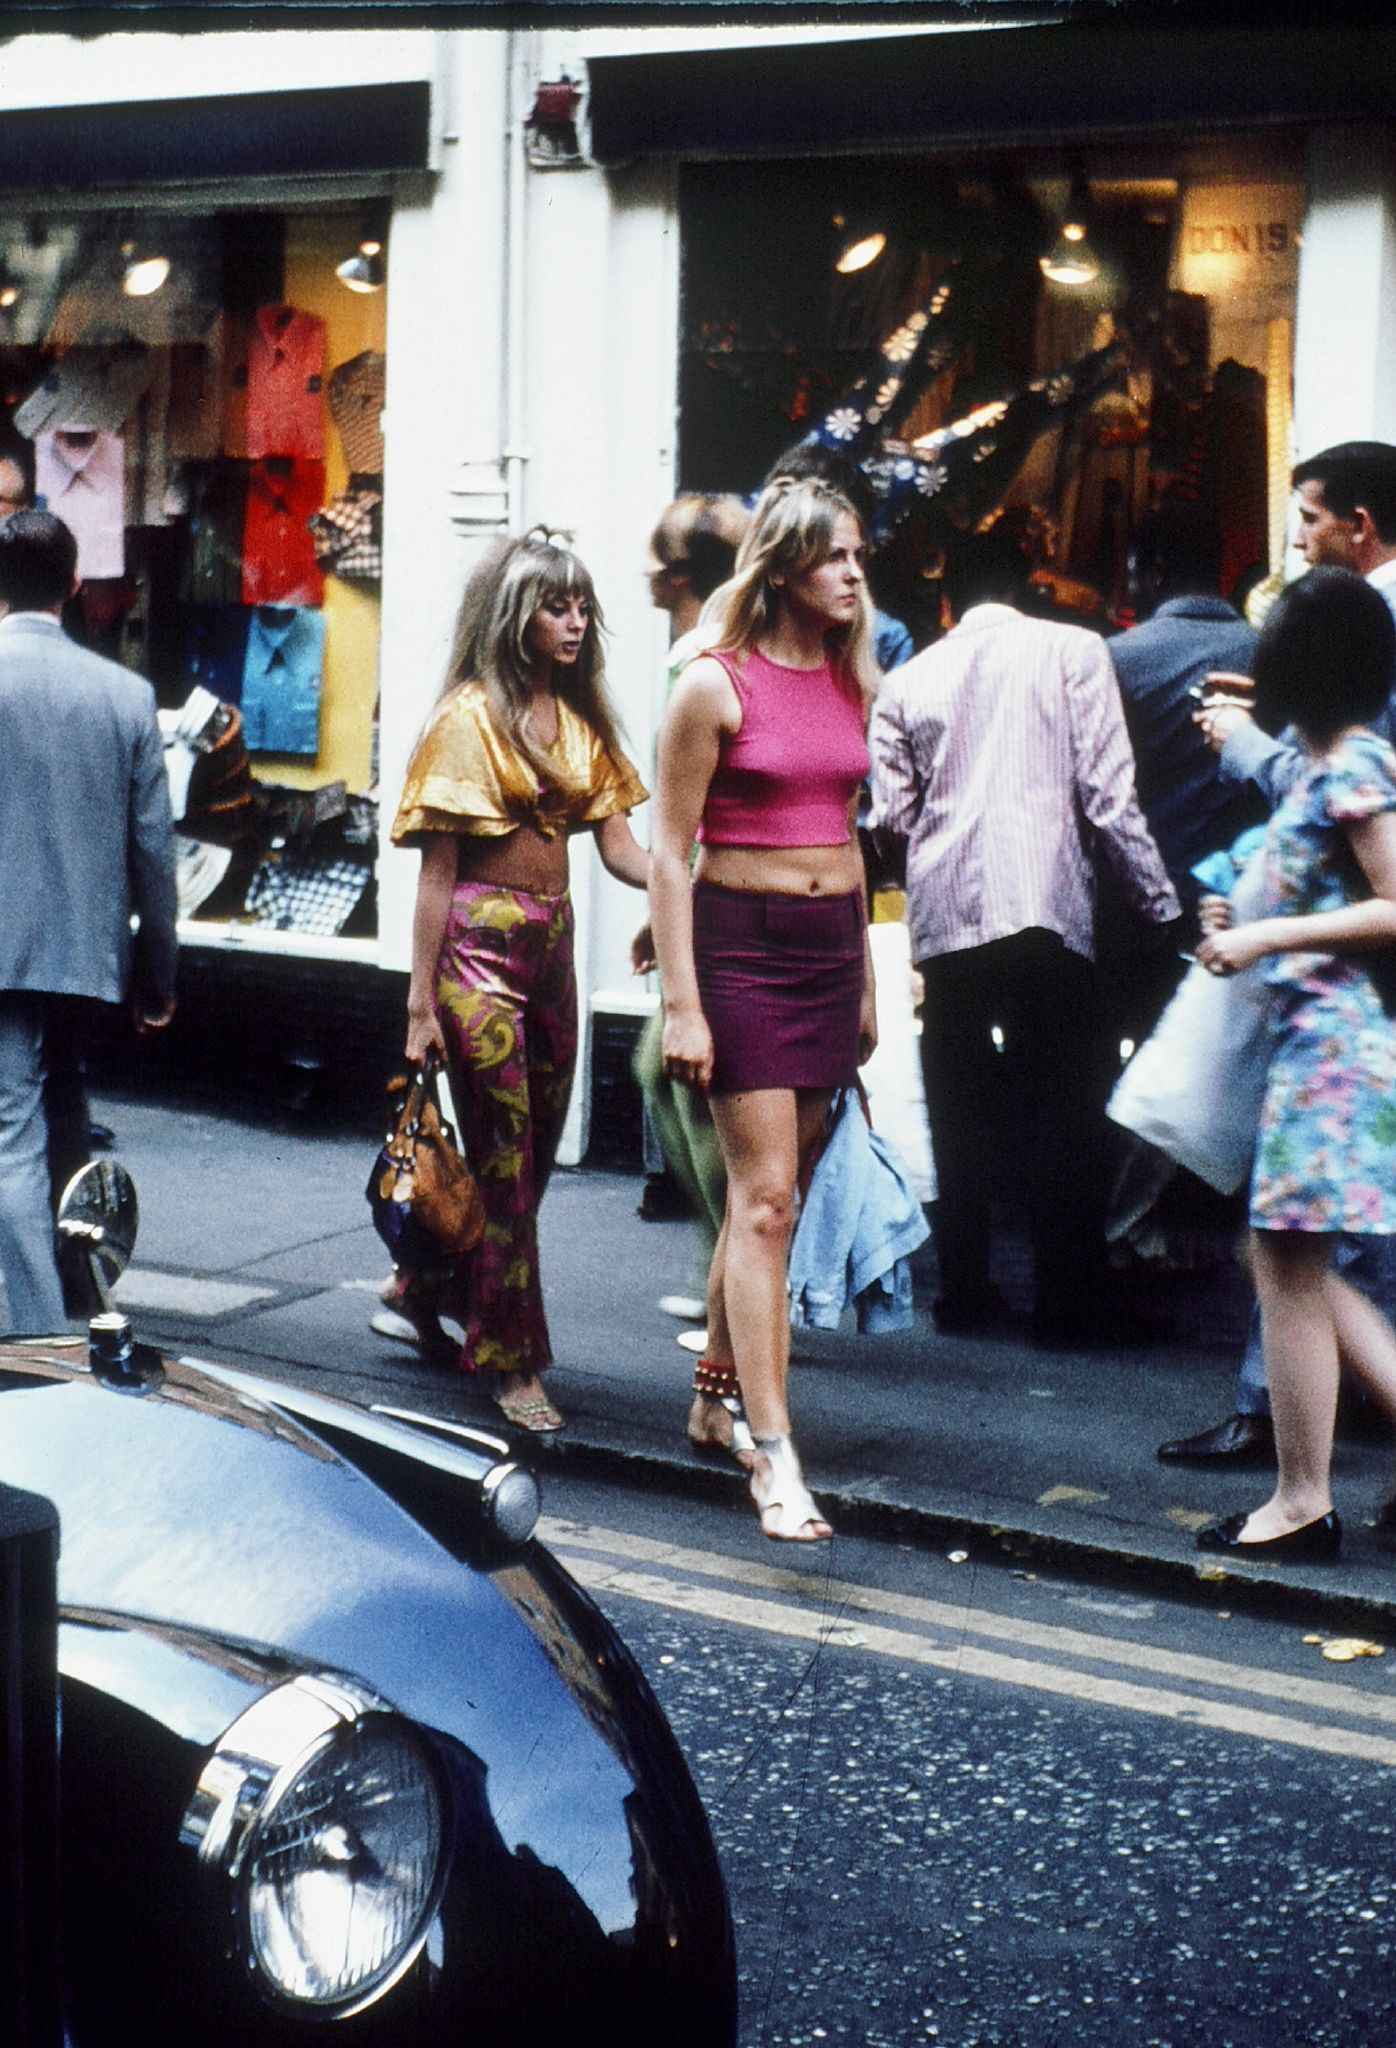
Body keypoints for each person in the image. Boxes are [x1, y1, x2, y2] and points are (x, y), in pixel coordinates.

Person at [869, 526, 1180, 1342]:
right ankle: (1066, 1303)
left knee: (960, 1107)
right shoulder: (1076, 652)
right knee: (1063, 1109)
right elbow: (1109, 797)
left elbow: (891, 820)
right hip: (1048, 909)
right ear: (1026, 586)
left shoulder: (905, 682)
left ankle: (965, 1292)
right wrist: (1158, 905)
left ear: (947, 602)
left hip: (945, 920)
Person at [650, 475, 878, 1540]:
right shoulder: (710, 682)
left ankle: (711, 1387)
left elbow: (850, 832)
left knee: (768, 1199)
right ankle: (773, 1455)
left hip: (830, 953)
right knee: (768, 1199)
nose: (852, 574)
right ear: (785, 564)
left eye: (859, 558)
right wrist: (682, 1005)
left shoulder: (848, 674)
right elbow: (668, 849)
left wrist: (868, 976)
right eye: (836, 556)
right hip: (742, 951)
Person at [1163, 442, 1396, 1464]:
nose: (1297, 540)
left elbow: (1385, 886)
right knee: (1302, 1256)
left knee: (1307, 1257)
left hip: (1334, 1041)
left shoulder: (1352, 753)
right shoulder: (1341, 753)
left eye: (1306, 519)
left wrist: (1260, 930)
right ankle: (1294, 1472)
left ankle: (1294, 1476)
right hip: (1319, 1032)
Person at [387, 528, 649, 1433]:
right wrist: (420, 1003)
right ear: (513, 618)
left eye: (581, 606)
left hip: (551, 956)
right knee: (502, 1149)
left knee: (529, 1160)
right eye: (554, 606)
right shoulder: (466, 718)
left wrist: (700, 881)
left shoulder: (579, 725)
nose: (573, 623)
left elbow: (622, 852)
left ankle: (421, 1287)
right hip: (475, 956)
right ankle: (511, 1360)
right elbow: (437, 874)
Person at [0, 509, 177, 1333]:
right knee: (61, 1107)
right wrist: (156, 976)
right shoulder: (126, 696)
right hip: (82, 951)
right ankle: (73, 1288)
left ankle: (37, 1333)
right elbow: (153, 852)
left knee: (14, 1135)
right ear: (74, 585)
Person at [634, 493, 750, 1256]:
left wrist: (676, 904)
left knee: (689, 1083)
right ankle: (731, 1267)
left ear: (677, 579)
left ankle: (735, 1272)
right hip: (717, 892)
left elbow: (698, 812)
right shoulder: (735, 650)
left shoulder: (696, 661)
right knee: (662, 1070)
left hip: (715, 901)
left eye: (656, 561)